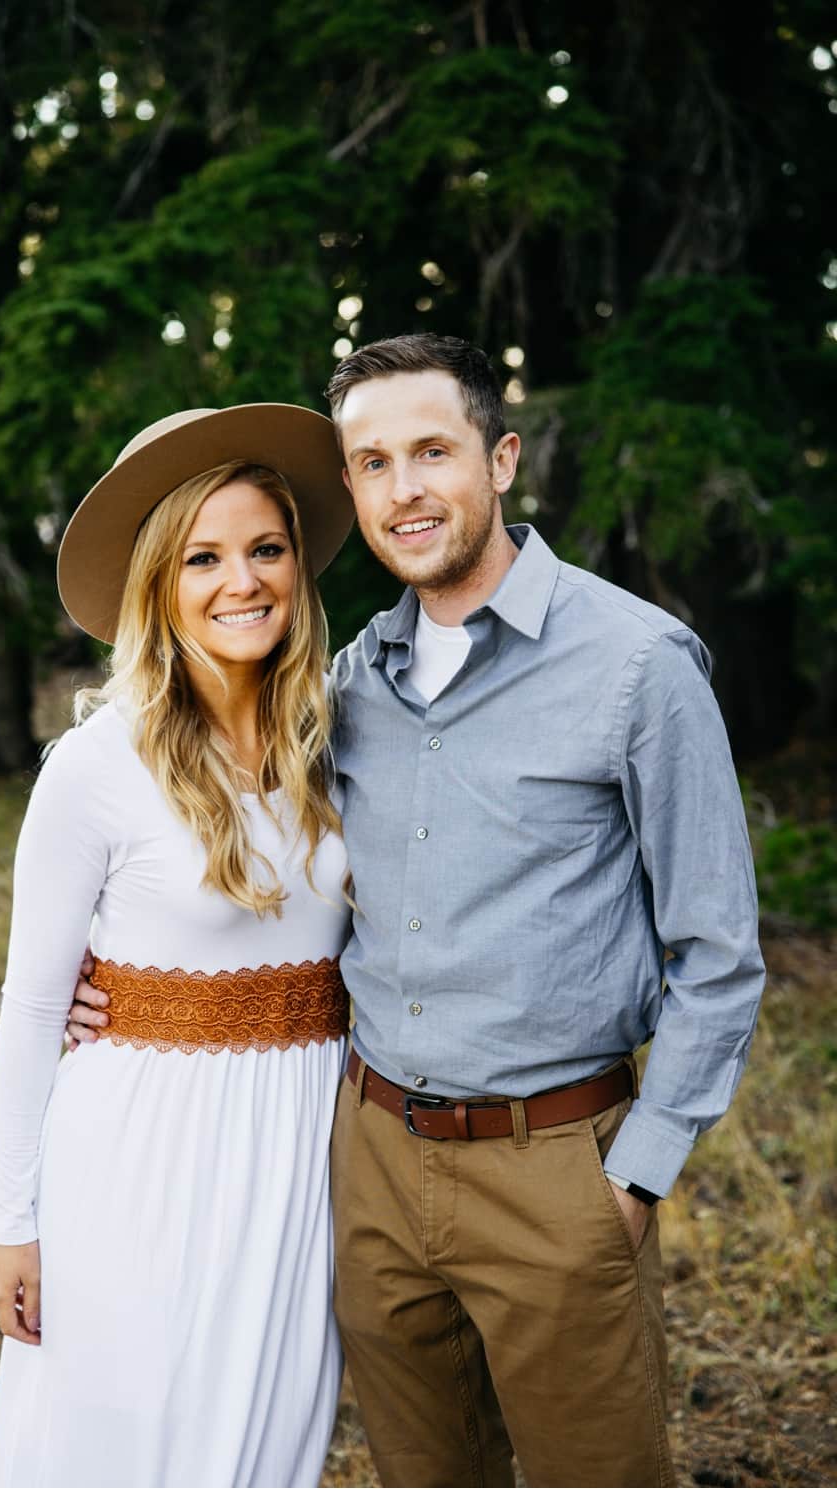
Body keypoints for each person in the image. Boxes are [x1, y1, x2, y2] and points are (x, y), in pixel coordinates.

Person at [67, 333, 766, 1486]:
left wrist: (634, 1176)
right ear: (348, 487)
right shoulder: (347, 687)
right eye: (373, 462)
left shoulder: (636, 667)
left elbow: (717, 952)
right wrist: (118, 988)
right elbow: (273, 878)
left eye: (430, 450)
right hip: (374, 1155)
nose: (405, 488)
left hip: (555, 1162)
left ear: (497, 459)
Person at [0, 404, 358, 1487]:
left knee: (266, 1440)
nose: (240, 581)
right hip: (141, 1151)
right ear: (158, 584)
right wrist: (13, 1223)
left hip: (296, 1154)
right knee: (131, 1437)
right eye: (202, 557)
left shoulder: (334, 742)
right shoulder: (96, 766)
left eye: (264, 549)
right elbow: (33, 1004)